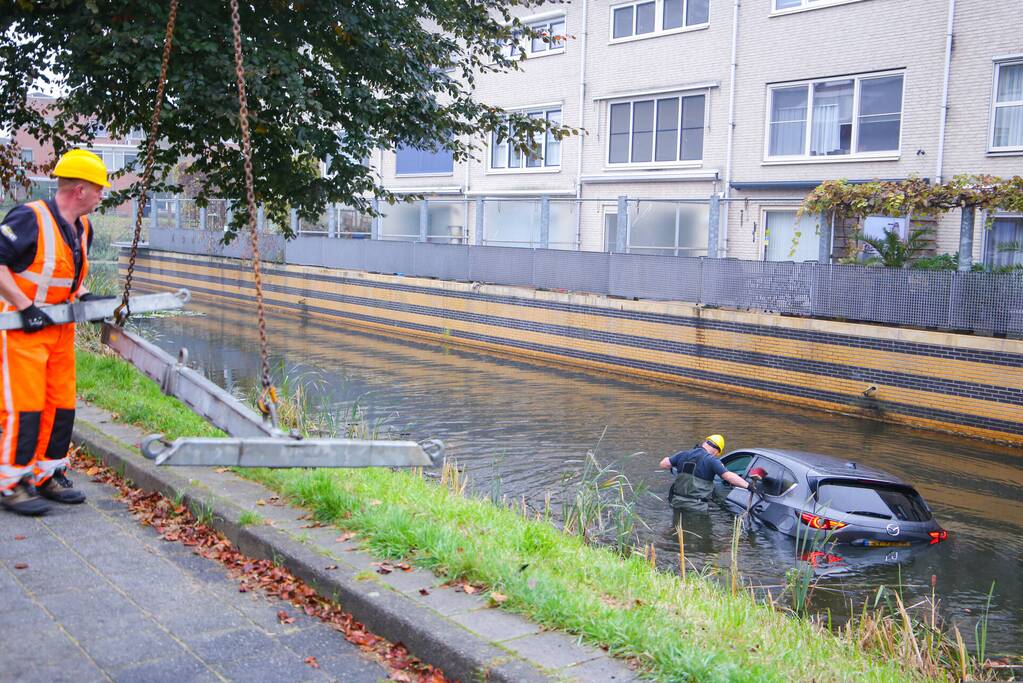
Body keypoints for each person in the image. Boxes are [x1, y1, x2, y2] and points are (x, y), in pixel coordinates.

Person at [0, 149, 109, 516]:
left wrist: (86, 298)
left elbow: (65, 278)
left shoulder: (84, 228)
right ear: (79, 189)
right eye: (99, 188)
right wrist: (25, 306)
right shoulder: (30, 218)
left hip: (60, 331)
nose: (102, 195)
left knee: (61, 405)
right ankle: (12, 483)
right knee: (25, 408)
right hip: (21, 330)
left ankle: (48, 474)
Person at [659, 434, 749, 527]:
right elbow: (728, 477)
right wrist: (748, 486)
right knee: (700, 537)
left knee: (677, 531)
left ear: (704, 443)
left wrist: (675, 460)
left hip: (677, 503)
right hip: (696, 507)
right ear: (716, 451)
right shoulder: (712, 460)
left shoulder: (684, 454)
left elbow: (663, 464)